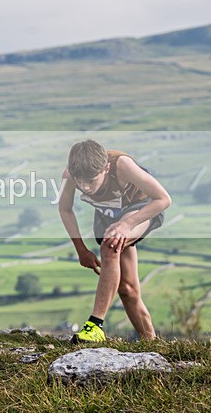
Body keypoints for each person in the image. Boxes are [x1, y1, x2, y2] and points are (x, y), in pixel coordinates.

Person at [58, 140, 171, 343]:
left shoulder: (122, 165)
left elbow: (163, 199)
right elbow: (65, 209)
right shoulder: (71, 175)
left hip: (141, 210)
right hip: (108, 217)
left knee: (111, 245)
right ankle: (152, 343)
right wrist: (81, 250)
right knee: (127, 290)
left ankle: (95, 326)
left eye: (91, 181)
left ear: (106, 168)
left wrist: (127, 224)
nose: (85, 187)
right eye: (80, 181)